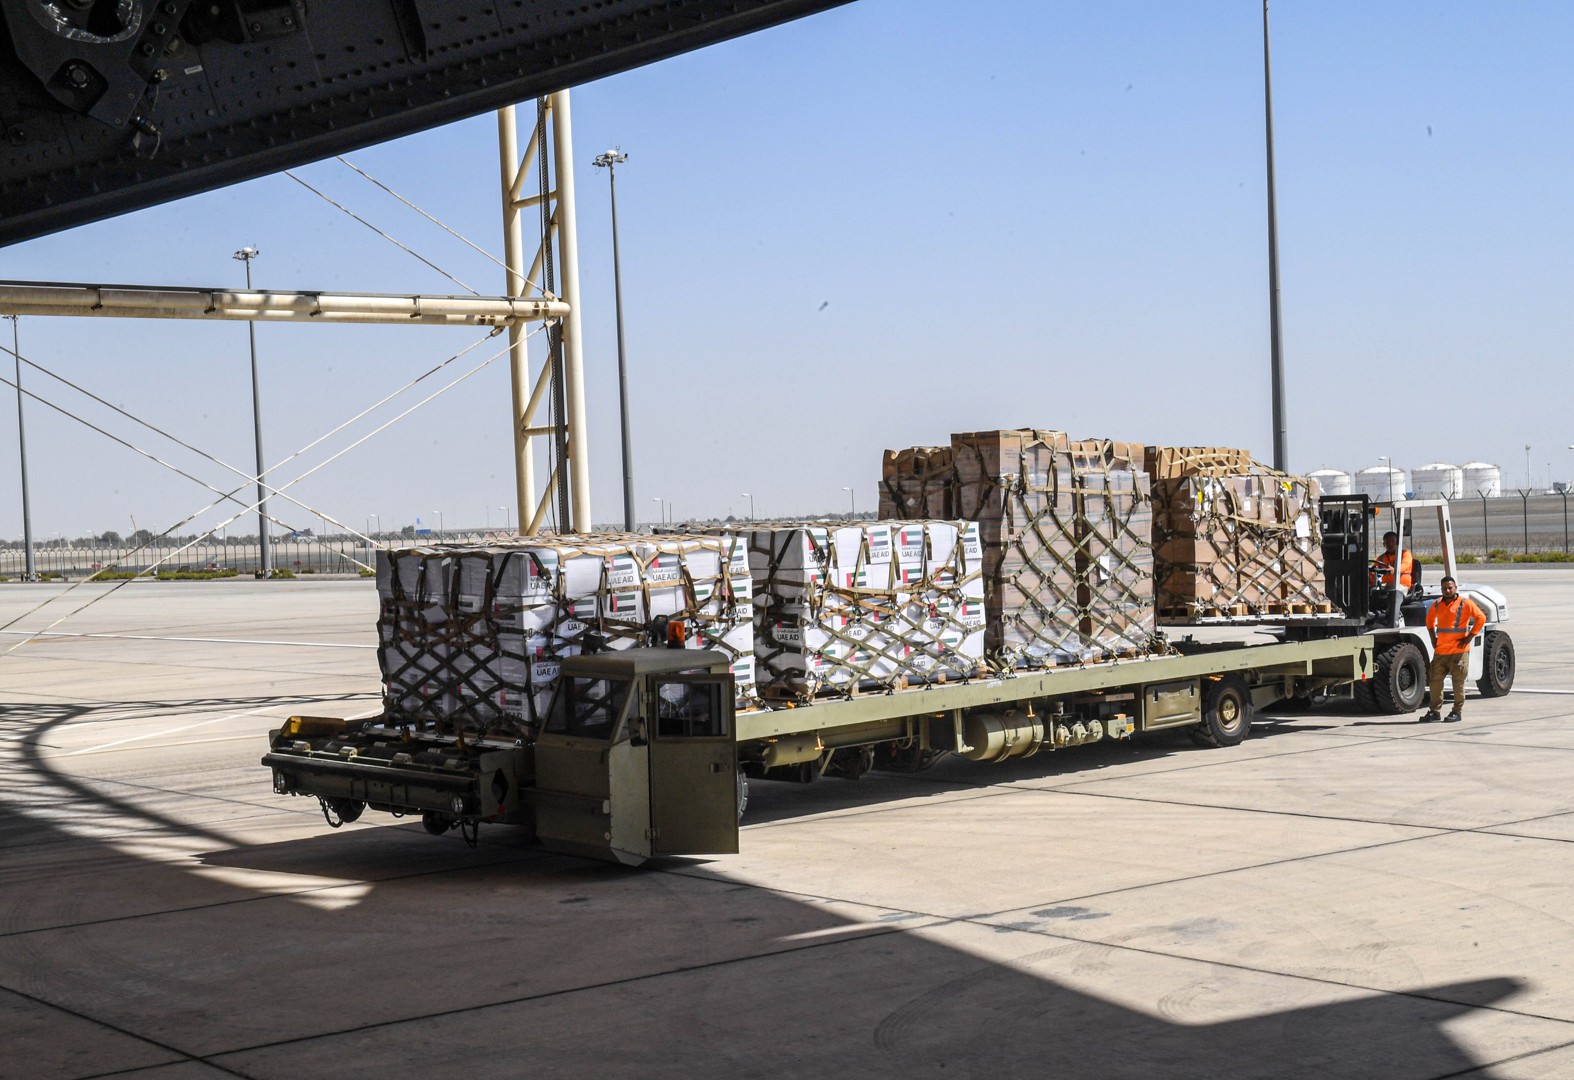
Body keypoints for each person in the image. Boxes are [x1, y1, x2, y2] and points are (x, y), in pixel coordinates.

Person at [1420, 575, 1486, 723]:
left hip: (1458, 652)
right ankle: (1434, 711)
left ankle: (1457, 711)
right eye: (1444, 588)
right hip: (1441, 651)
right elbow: (1429, 620)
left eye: (1450, 588)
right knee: (1435, 682)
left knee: (1458, 683)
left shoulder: (1465, 603)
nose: (1447, 591)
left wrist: (1470, 637)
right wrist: (1432, 638)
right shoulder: (1437, 604)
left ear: (1455, 588)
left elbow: (1481, 618)